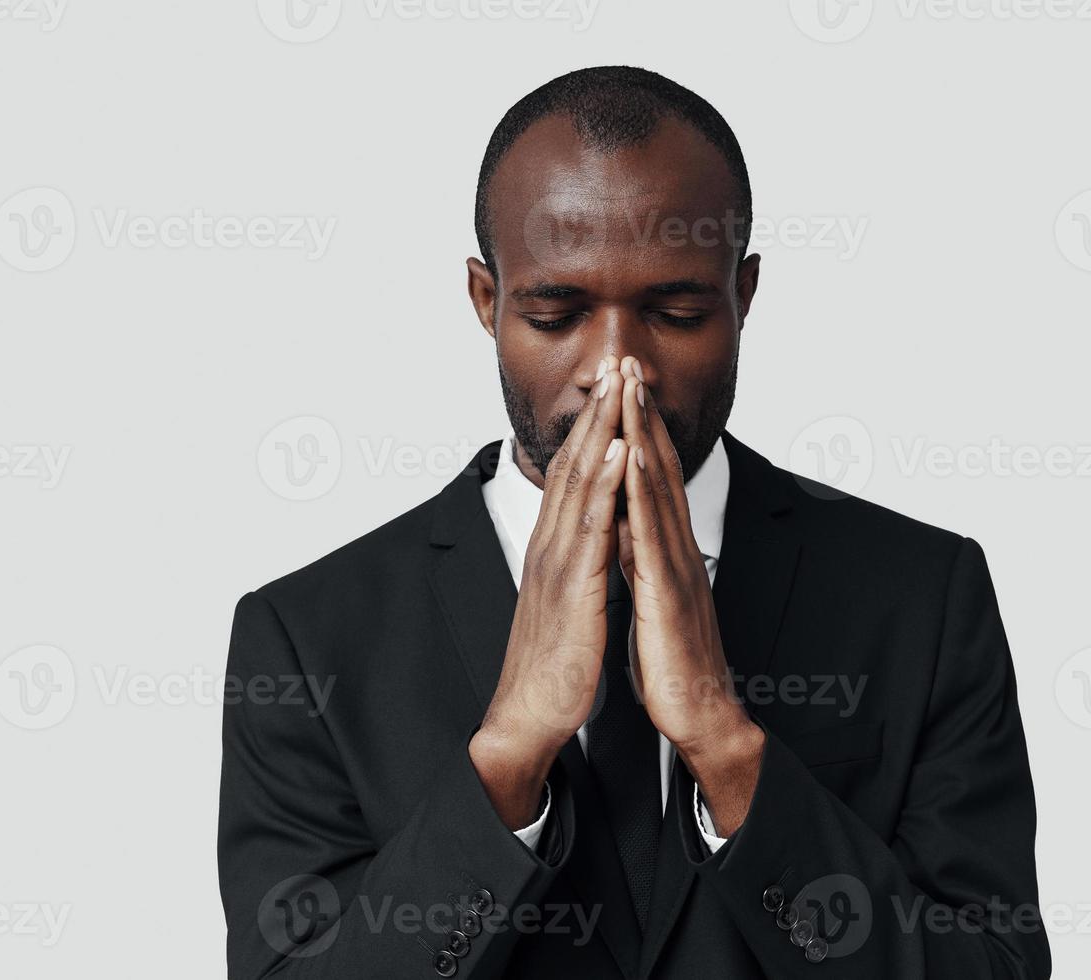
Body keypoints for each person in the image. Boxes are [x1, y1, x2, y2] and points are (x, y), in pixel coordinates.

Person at [218, 65, 1049, 979]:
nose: (618, 369)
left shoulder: (923, 599)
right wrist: (507, 756)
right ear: (488, 303)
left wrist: (728, 754)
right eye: (556, 313)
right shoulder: (305, 636)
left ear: (745, 296)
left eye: (678, 312)